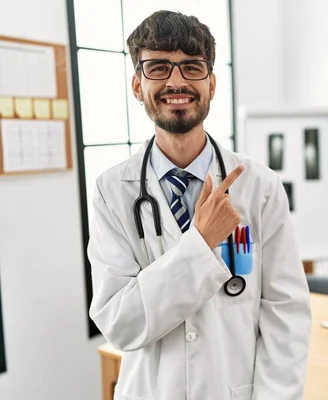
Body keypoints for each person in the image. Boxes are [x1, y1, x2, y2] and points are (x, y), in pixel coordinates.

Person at [87, 10, 312, 400]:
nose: (176, 81)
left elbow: (286, 315)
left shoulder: (261, 187)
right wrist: (201, 242)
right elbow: (120, 324)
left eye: (192, 67)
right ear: (137, 85)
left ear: (211, 83)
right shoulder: (112, 191)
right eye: (158, 67)